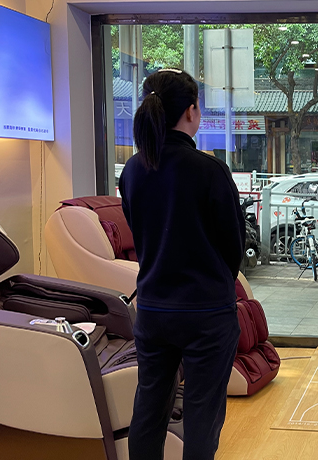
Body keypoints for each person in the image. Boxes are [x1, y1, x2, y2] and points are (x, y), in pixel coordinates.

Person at [120, 68, 244, 460]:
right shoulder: (210, 171)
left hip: (153, 310)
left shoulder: (133, 170)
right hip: (207, 314)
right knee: (202, 417)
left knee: (149, 409)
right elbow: (234, 247)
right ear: (191, 111)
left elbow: (140, 233)